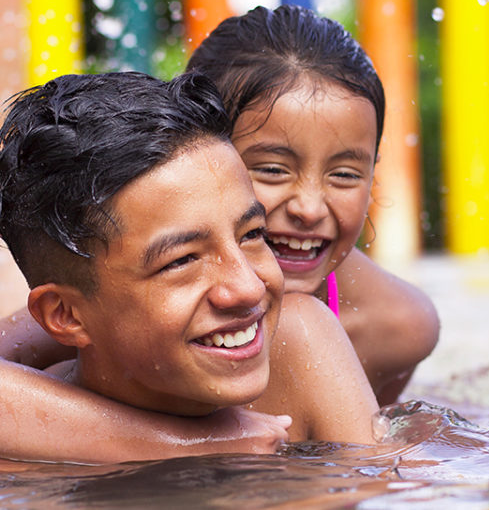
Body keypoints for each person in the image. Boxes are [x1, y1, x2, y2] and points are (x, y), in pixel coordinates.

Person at [0, 71, 377, 463]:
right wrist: (196, 445)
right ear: (66, 314)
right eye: (182, 260)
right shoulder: (26, 461)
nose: (248, 288)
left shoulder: (299, 350)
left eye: (252, 234)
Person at [185, 5, 440, 405]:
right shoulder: (134, 285)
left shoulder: (393, 328)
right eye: (272, 169)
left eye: (344, 175)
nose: (309, 208)